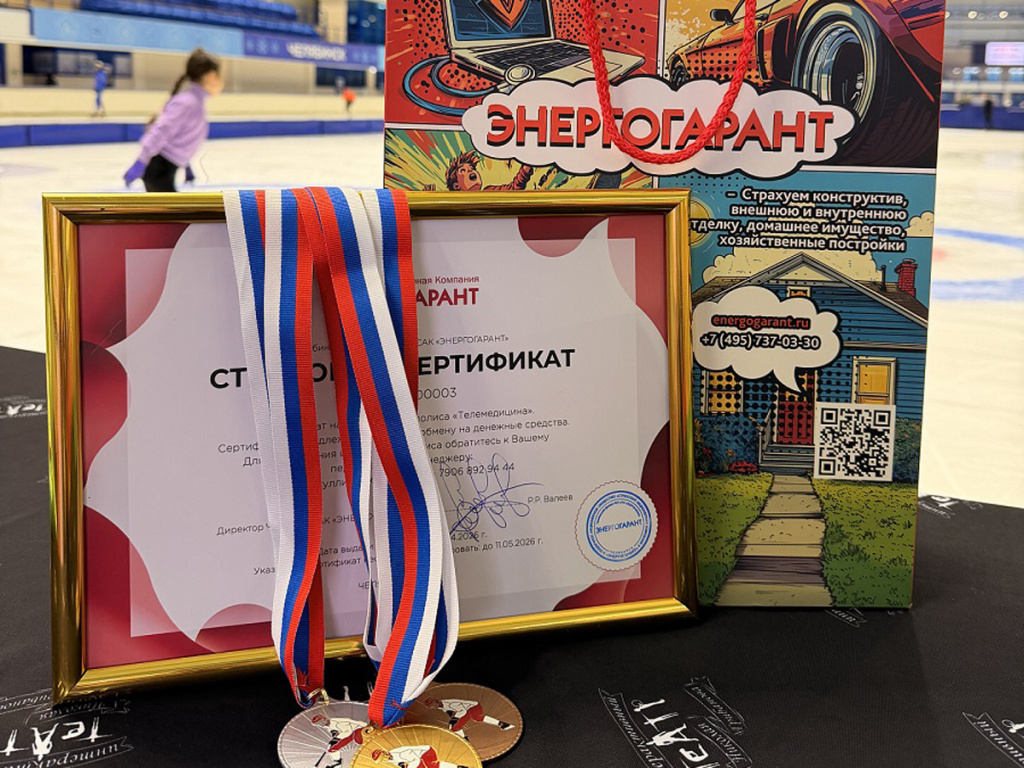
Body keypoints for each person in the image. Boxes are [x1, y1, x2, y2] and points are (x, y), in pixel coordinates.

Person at [123, 49, 222, 192]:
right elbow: (161, 131)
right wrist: (140, 162)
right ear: (212, 76)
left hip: (165, 171)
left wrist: (187, 165)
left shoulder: (194, 102)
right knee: (175, 207)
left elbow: (182, 137)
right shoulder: (187, 103)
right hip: (158, 172)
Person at [445, 151, 533, 191]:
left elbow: (513, 188)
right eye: (463, 171)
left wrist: (525, 170)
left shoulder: (489, 192)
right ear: (456, 186)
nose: (470, 172)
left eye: (472, 169)